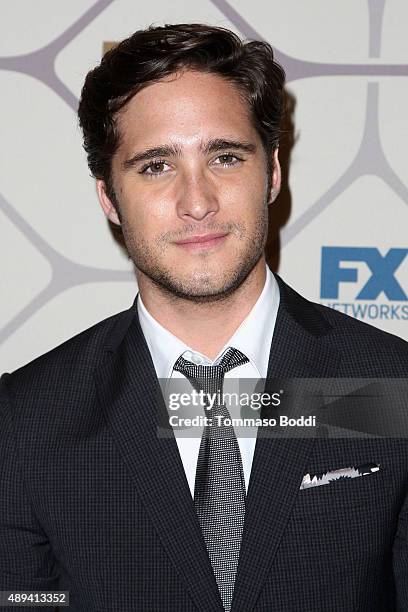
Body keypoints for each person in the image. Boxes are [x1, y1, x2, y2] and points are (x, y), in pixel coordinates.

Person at [1, 23, 408, 612]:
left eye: (224, 156)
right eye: (156, 167)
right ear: (109, 198)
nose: (198, 201)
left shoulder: (388, 385)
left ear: (272, 172)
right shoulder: (30, 421)